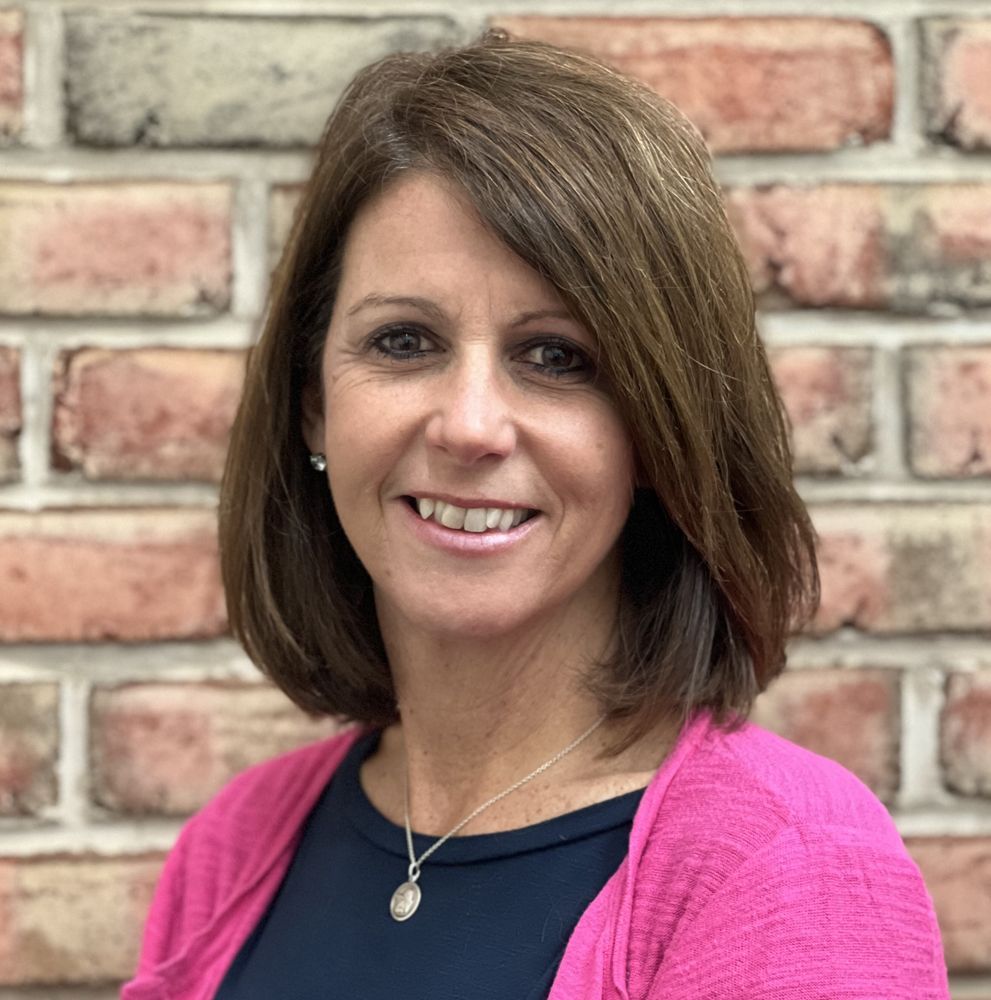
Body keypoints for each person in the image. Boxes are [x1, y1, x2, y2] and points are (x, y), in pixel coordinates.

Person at [122, 32, 950, 1000]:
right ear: (314, 401)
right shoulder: (240, 843)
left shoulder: (784, 863)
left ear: (656, 429)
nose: (469, 424)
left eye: (557, 357)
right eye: (403, 340)